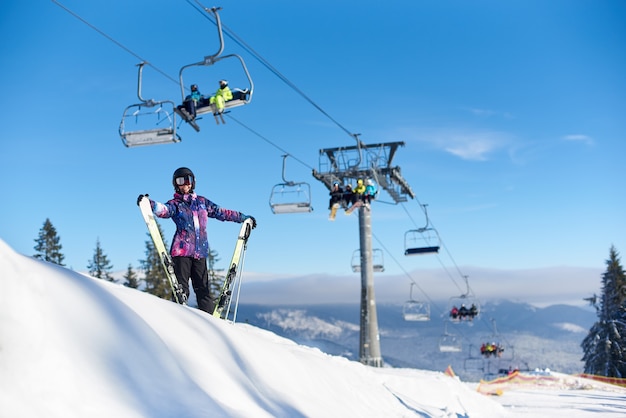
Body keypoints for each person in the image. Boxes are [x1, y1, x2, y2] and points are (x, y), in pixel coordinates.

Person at [137, 167, 256, 314]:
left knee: (203, 290)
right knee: (181, 288)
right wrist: (149, 204)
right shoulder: (176, 203)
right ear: (175, 184)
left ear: (193, 182)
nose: (185, 184)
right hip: (181, 253)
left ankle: (209, 320)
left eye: (188, 180)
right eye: (181, 181)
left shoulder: (202, 203)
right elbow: (164, 210)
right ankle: (178, 316)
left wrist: (243, 218)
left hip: (200, 253)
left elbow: (222, 212)